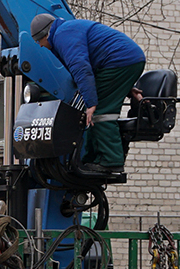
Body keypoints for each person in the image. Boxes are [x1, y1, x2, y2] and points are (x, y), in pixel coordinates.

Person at [29, 12, 146, 177]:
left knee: (100, 112)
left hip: (120, 62)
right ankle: (91, 159)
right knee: (92, 112)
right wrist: (126, 85)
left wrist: (91, 103)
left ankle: (110, 162)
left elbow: (81, 68)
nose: (40, 45)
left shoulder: (63, 35)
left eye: (38, 41)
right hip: (123, 61)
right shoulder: (64, 31)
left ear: (46, 35)